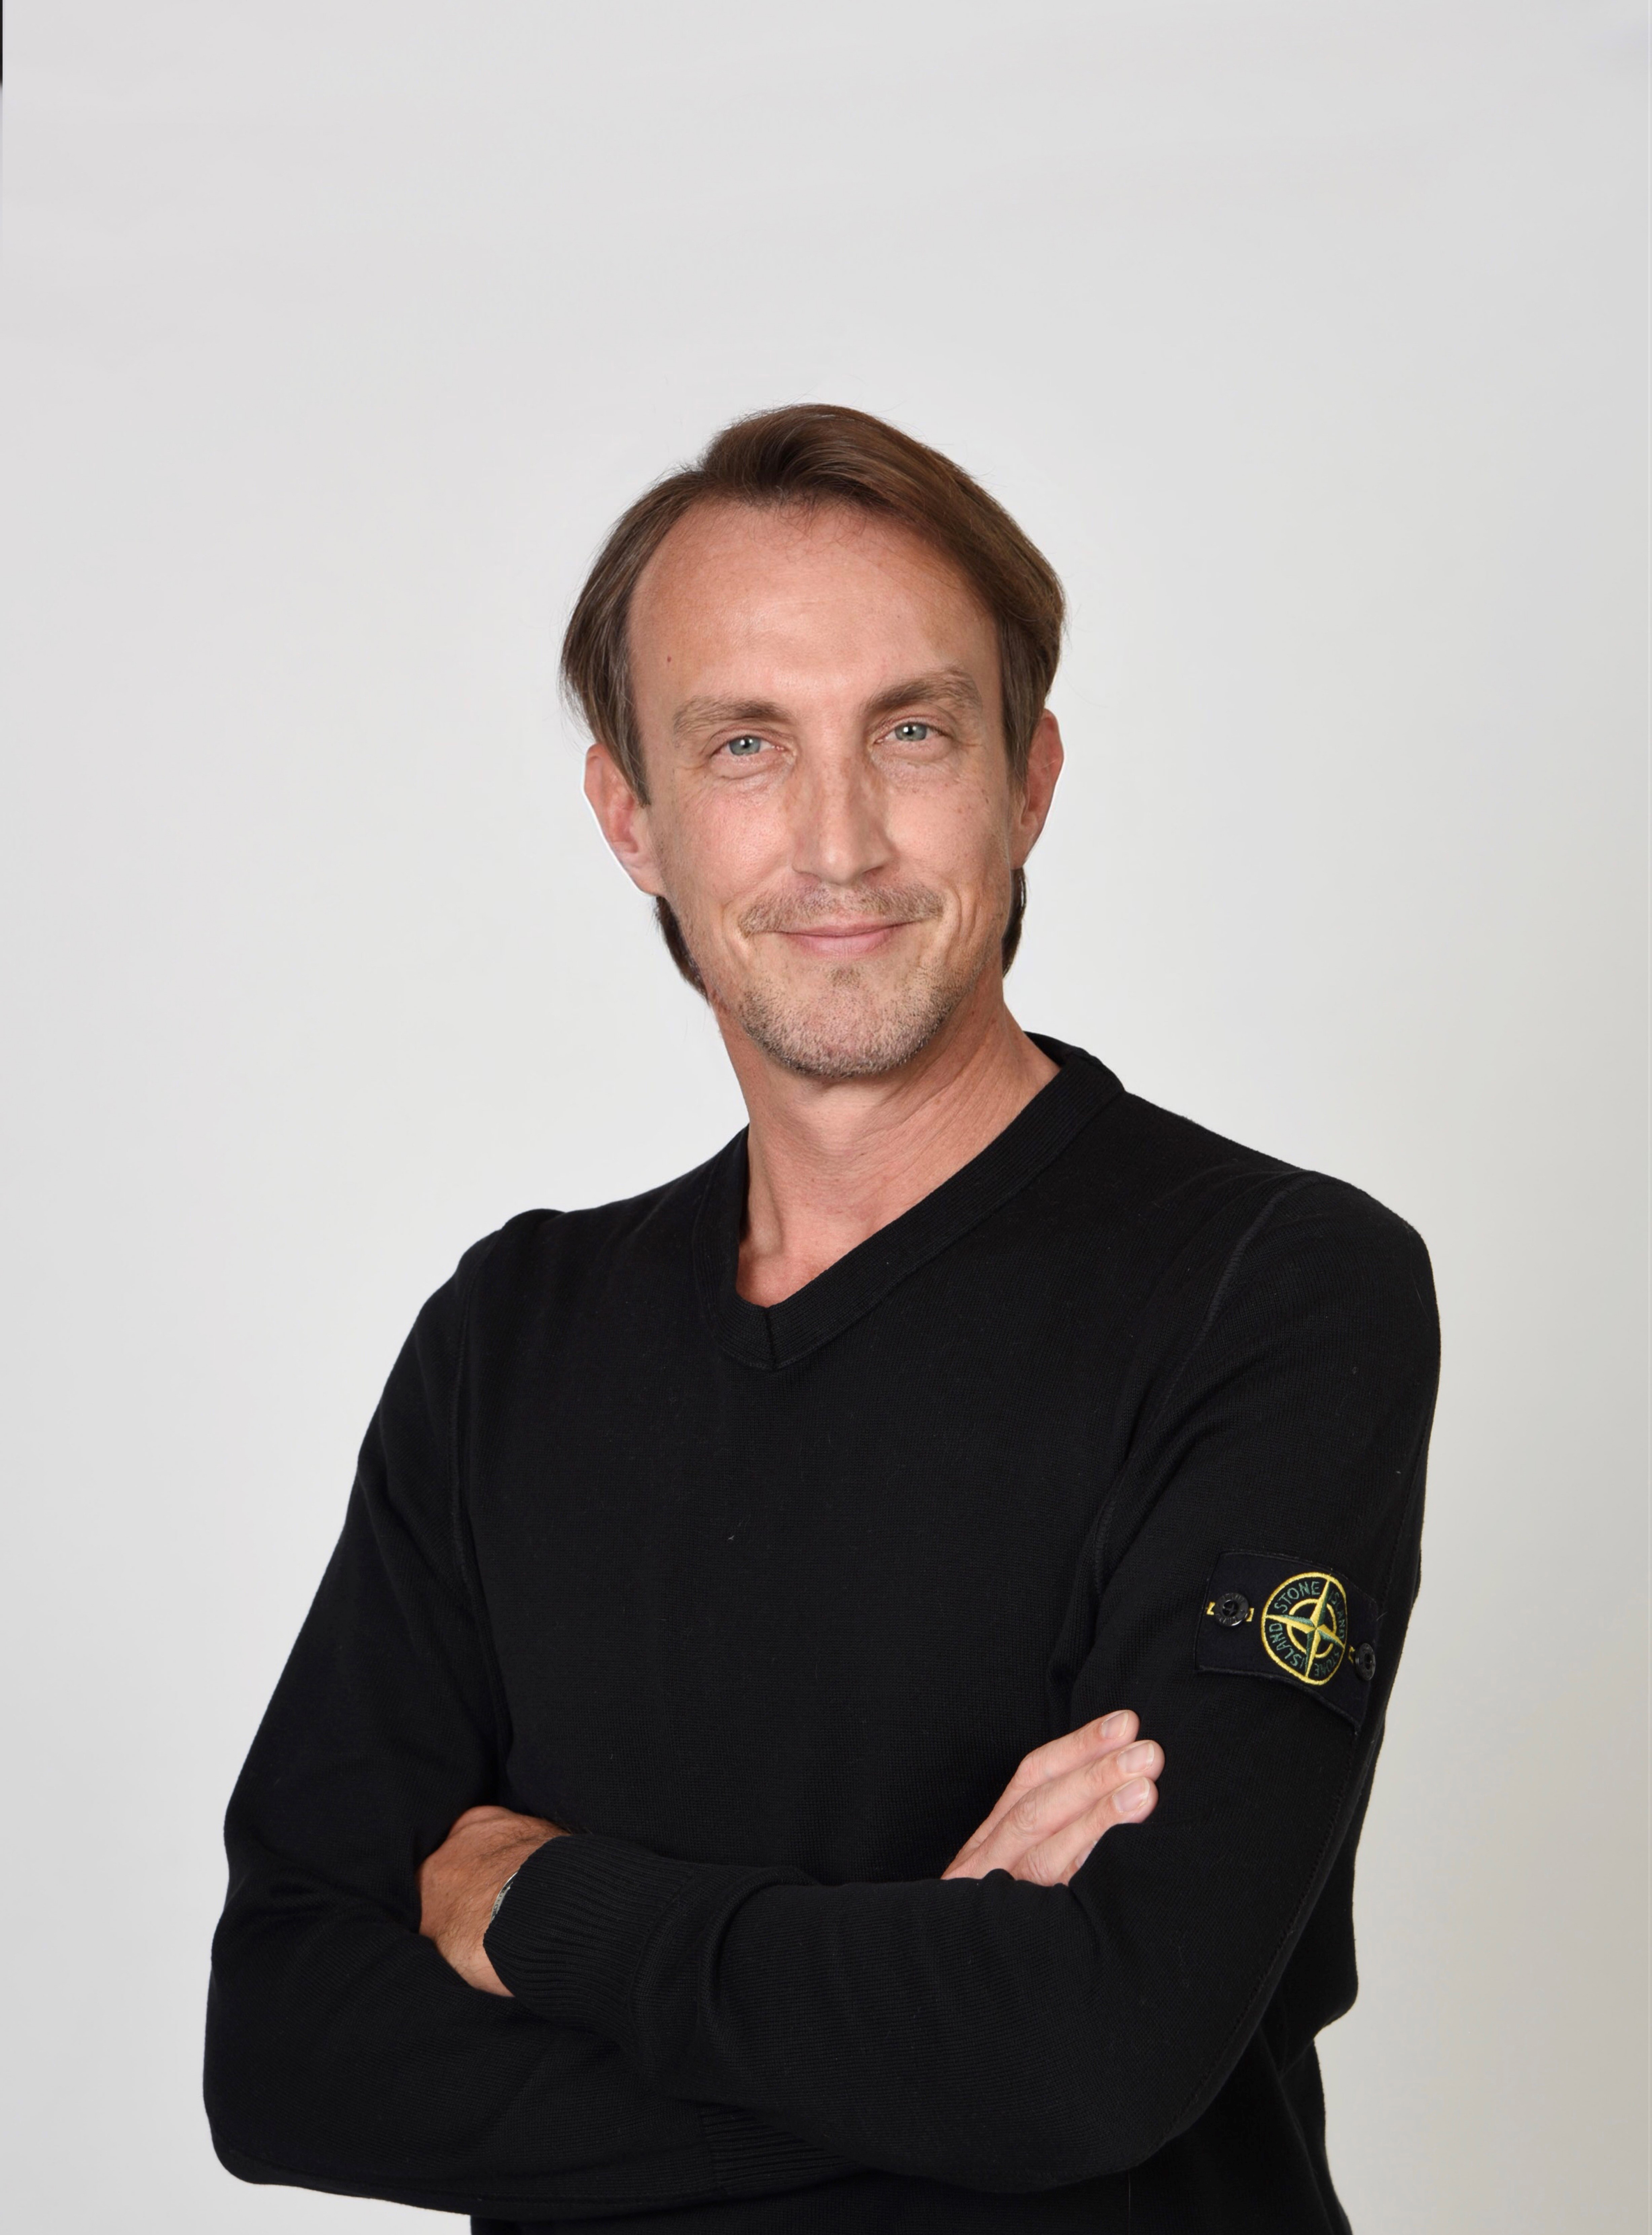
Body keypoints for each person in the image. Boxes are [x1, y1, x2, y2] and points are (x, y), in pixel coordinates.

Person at [205, 404, 1439, 2234]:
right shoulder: (510, 1337)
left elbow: (1101, 2045)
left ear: (1030, 778)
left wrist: (540, 1908)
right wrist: (948, 2015)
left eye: (916, 730)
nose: (840, 840)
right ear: (634, 815)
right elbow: (287, 2047)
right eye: (746, 744)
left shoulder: (1274, 1288)